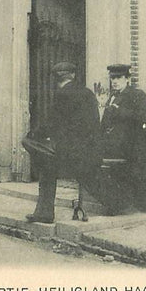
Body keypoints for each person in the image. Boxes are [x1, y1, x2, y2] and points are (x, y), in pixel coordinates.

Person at [25, 61, 101, 224]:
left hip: (71, 152)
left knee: (46, 167)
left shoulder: (62, 94)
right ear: (73, 76)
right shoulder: (87, 93)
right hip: (90, 150)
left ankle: (44, 213)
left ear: (56, 79)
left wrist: (33, 134)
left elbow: (52, 123)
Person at [101, 64, 146, 161]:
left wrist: (119, 110)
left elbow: (144, 117)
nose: (114, 81)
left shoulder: (137, 95)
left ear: (127, 79)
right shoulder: (112, 96)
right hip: (112, 143)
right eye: (112, 78)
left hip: (130, 145)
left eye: (119, 77)